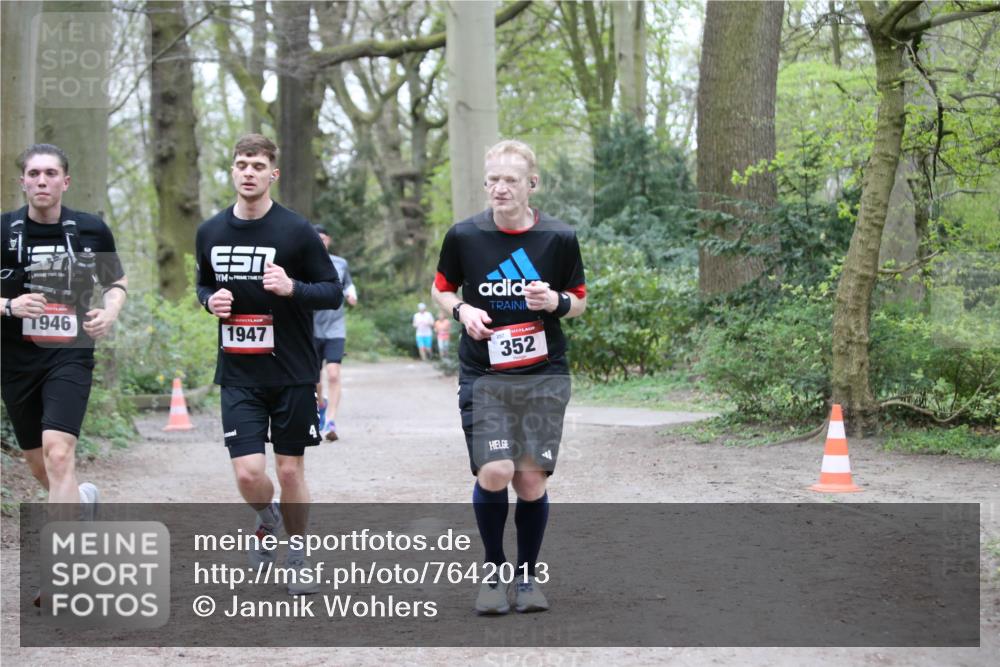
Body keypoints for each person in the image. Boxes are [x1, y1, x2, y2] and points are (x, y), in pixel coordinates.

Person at [431, 139, 587, 615]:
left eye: (511, 180)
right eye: (493, 180)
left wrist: (554, 303)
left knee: (530, 482)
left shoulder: (557, 238)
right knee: (496, 471)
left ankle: (527, 577)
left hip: (543, 375)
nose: (500, 188)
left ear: (531, 185)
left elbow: (578, 299)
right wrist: (463, 309)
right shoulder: (464, 236)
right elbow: (440, 289)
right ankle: (496, 572)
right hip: (485, 375)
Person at [195, 134, 342, 595]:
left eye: (258, 165)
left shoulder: (296, 231)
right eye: (242, 164)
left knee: (290, 471)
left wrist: (292, 288)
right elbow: (202, 285)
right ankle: (267, 518)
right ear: (233, 171)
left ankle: (297, 555)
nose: (249, 172)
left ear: (272, 173)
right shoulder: (211, 232)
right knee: (248, 473)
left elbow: (332, 292)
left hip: (292, 371)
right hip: (239, 373)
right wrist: (209, 301)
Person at [1, 144, 128, 520]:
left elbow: (116, 281)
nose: (42, 181)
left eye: (51, 174)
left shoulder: (91, 229)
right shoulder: (3, 229)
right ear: (22, 181)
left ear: (65, 181)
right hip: (15, 359)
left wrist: (110, 311)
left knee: (59, 453)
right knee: (42, 466)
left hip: (70, 354)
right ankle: (82, 504)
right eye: (34, 174)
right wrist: (9, 306)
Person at [312, 224, 357, 441]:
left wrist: (351, 295)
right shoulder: (303, 263)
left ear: (328, 240)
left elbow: (348, 284)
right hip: (311, 327)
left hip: (335, 326)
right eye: (316, 238)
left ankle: (330, 421)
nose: (320, 242)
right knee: (314, 378)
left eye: (323, 238)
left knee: (333, 373)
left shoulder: (340, 263)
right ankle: (321, 403)